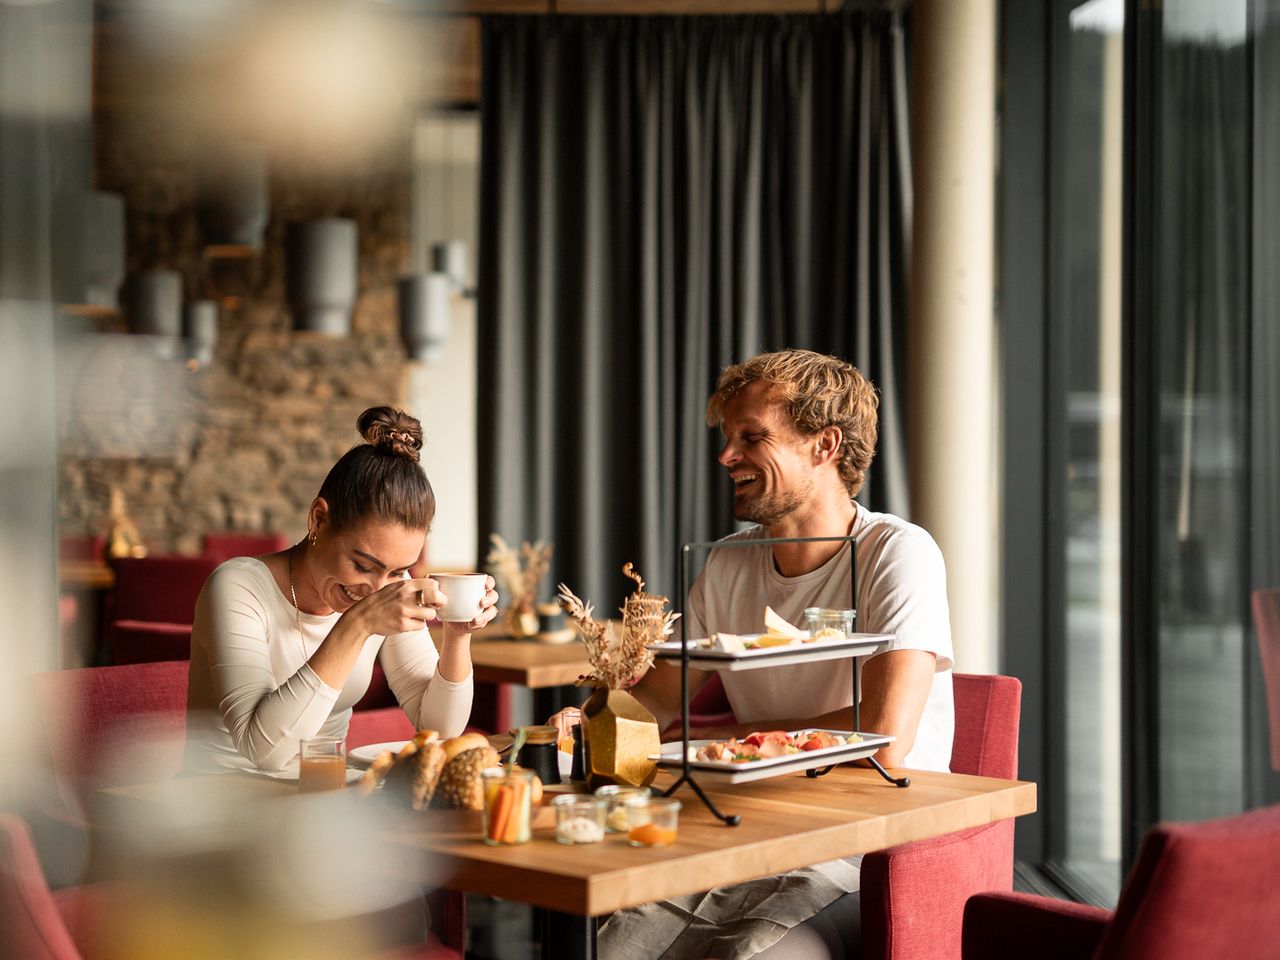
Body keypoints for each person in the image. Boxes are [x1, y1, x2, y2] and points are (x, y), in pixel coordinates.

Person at [573, 349, 955, 960]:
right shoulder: (726, 562)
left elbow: (884, 739)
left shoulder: (895, 553)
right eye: (728, 438)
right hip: (746, 828)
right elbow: (660, 697)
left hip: (868, 847)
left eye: (752, 437)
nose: (726, 456)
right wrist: (599, 721)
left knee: (751, 953)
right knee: (613, 942)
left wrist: (729, 740)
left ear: (824, 445)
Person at [185, 406, 498, 775]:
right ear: (318, 518)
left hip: (324, 802)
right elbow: (264, 750)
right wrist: (357, 624)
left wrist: (457, 637)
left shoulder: (387, 590)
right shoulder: (238, 587)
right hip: (219, 808)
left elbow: (440, 729)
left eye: (396, 571)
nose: (377, 589)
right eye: (363, 566)